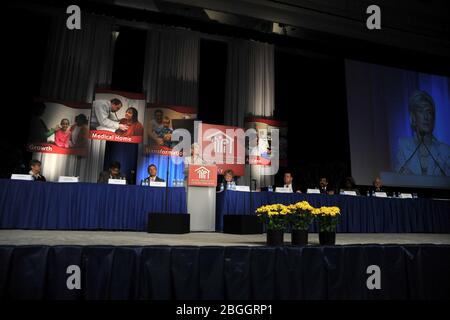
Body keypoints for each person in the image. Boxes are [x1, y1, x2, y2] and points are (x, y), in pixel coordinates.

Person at [396, 90, 450, 176]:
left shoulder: (445, 151)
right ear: (413, 117)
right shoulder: (403, 146)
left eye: (429, 112)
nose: (426, 117)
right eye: (421, 112)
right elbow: (398, 179)